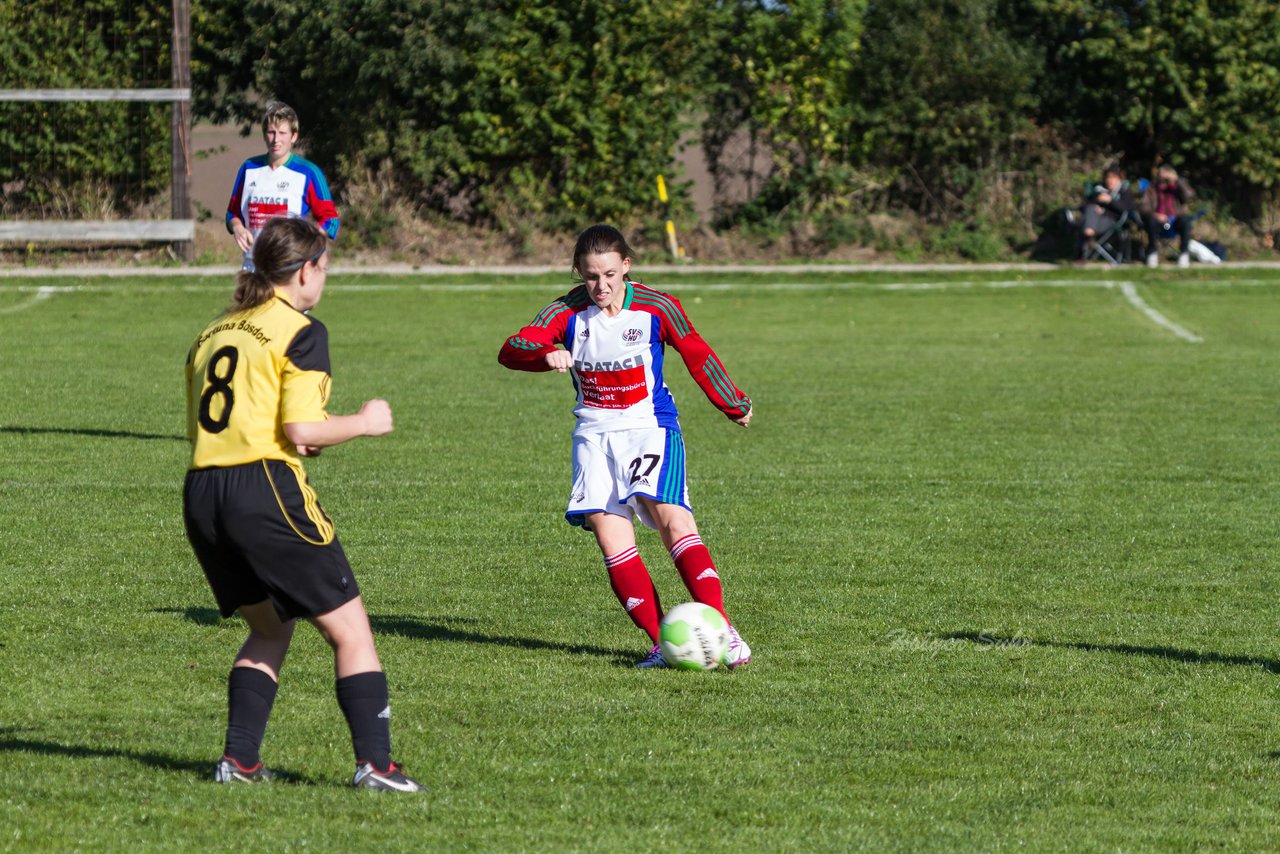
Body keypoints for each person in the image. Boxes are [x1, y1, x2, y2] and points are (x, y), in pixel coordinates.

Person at [183, 217, 423, 792]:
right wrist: (365, 423)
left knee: (268, 629)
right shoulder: (301, 329)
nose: (325, 279)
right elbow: (302, 430)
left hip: (202, 492)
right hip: (263, 488)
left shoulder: (214, 331)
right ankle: (376, 766)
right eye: (324, 267)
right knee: (352, 633)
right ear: (304, 270)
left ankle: (238, 762)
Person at [498, 224, 754, 669]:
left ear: (627, 267)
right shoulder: (565, 312)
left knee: (671, 519)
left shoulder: (657, 306)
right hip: (594, 434)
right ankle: (663, 644)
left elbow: (696, 350)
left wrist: (732, 403)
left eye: (610, 275)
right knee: (609, 534)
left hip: (648, 426)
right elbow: (513, 347)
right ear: (579, 272)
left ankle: (724, 631)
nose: (601, 286)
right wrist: (544, 355)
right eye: (591, 276)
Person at [225, 101, 340, 271]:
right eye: (271, 132)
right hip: (252, 267)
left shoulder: (308, 173)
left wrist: (304, 244)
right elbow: (232, 213)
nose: (276, 139)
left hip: (289, 267)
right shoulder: (249, 168)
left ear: (294, 136)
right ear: (265, 135)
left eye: (282, 133)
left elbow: (330, 221)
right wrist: (238, 228)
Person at [1140, 163, 1195, 268]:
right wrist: (1156, 215)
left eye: (1166, 179)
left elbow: (1190, 196)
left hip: (1174, 222)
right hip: (1157, 222)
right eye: (1161, 178)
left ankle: (1184, 254)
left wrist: (1177, 180)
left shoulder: (1177, 188)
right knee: (1150, 221)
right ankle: (1152, 252)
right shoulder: (1151, 188)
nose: (1163, 181)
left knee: (1185, 220)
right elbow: (1143, 207)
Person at [1076, 165, 1137, 261]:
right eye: (1108, 177)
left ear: (1119, 179)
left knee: (1084, 221)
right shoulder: (1098, 190)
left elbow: (1127, 209)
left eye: (1113, 177)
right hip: (1093, 218)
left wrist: (1110, 201)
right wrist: (1097, 203)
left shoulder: (1125, 191)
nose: (1110, 180)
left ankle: (1083, 250)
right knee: (1090, 209)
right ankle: (1088, 234)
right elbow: (1084, 206)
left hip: (1111, 220)